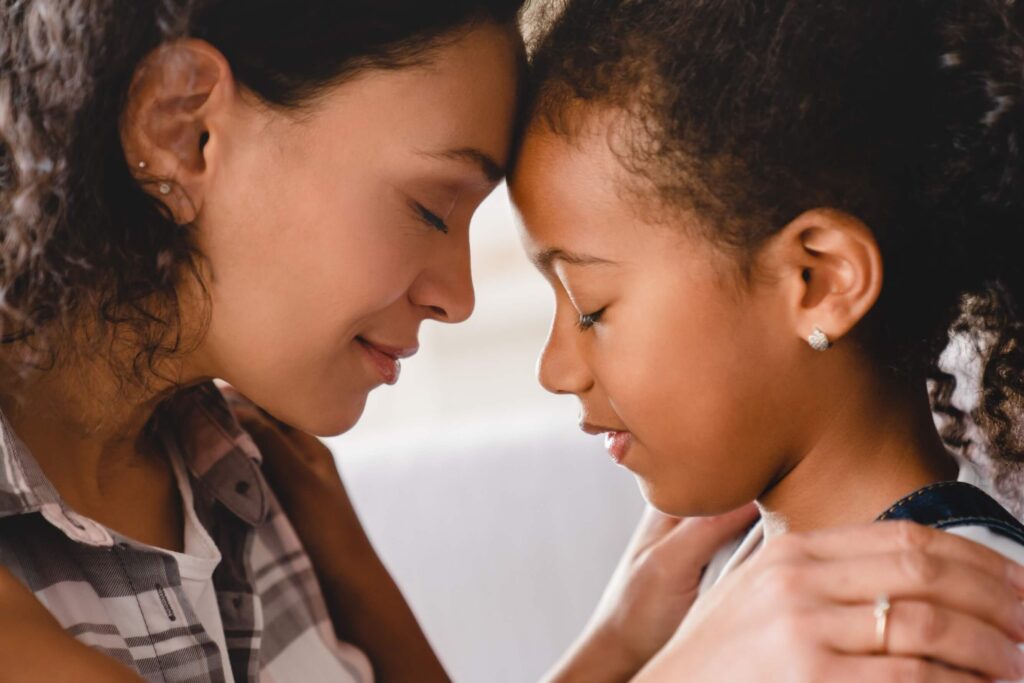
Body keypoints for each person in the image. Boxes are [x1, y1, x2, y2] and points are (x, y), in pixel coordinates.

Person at [0, 2, 1022, 683]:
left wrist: (621, 645)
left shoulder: (252, 471)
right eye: (430, 203)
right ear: (186, 129)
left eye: (592, 301)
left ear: (820, 282)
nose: (455, 300)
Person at [507, 0, 1024, 681]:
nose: (555, 369)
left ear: (818, 280)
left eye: (590, 307)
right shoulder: (727, 595)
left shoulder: (939, 632)